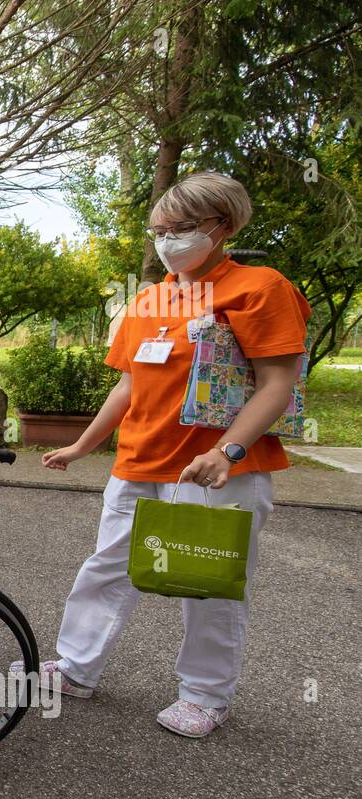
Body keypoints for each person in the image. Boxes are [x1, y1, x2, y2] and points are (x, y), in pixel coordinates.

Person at [25, 171, 308, 738]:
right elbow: (129, 384)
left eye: (177, 229)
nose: (164, 240)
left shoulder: (259, 288)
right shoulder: (150, 297)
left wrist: (229, 451)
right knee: (107, 568)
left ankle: (205, 696)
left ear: (219, 226)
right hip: (140, 460)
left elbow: (278, 383)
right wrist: (84, 444)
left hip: (214, 470)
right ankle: (75, 668)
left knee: (207, 582)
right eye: (157, 230)